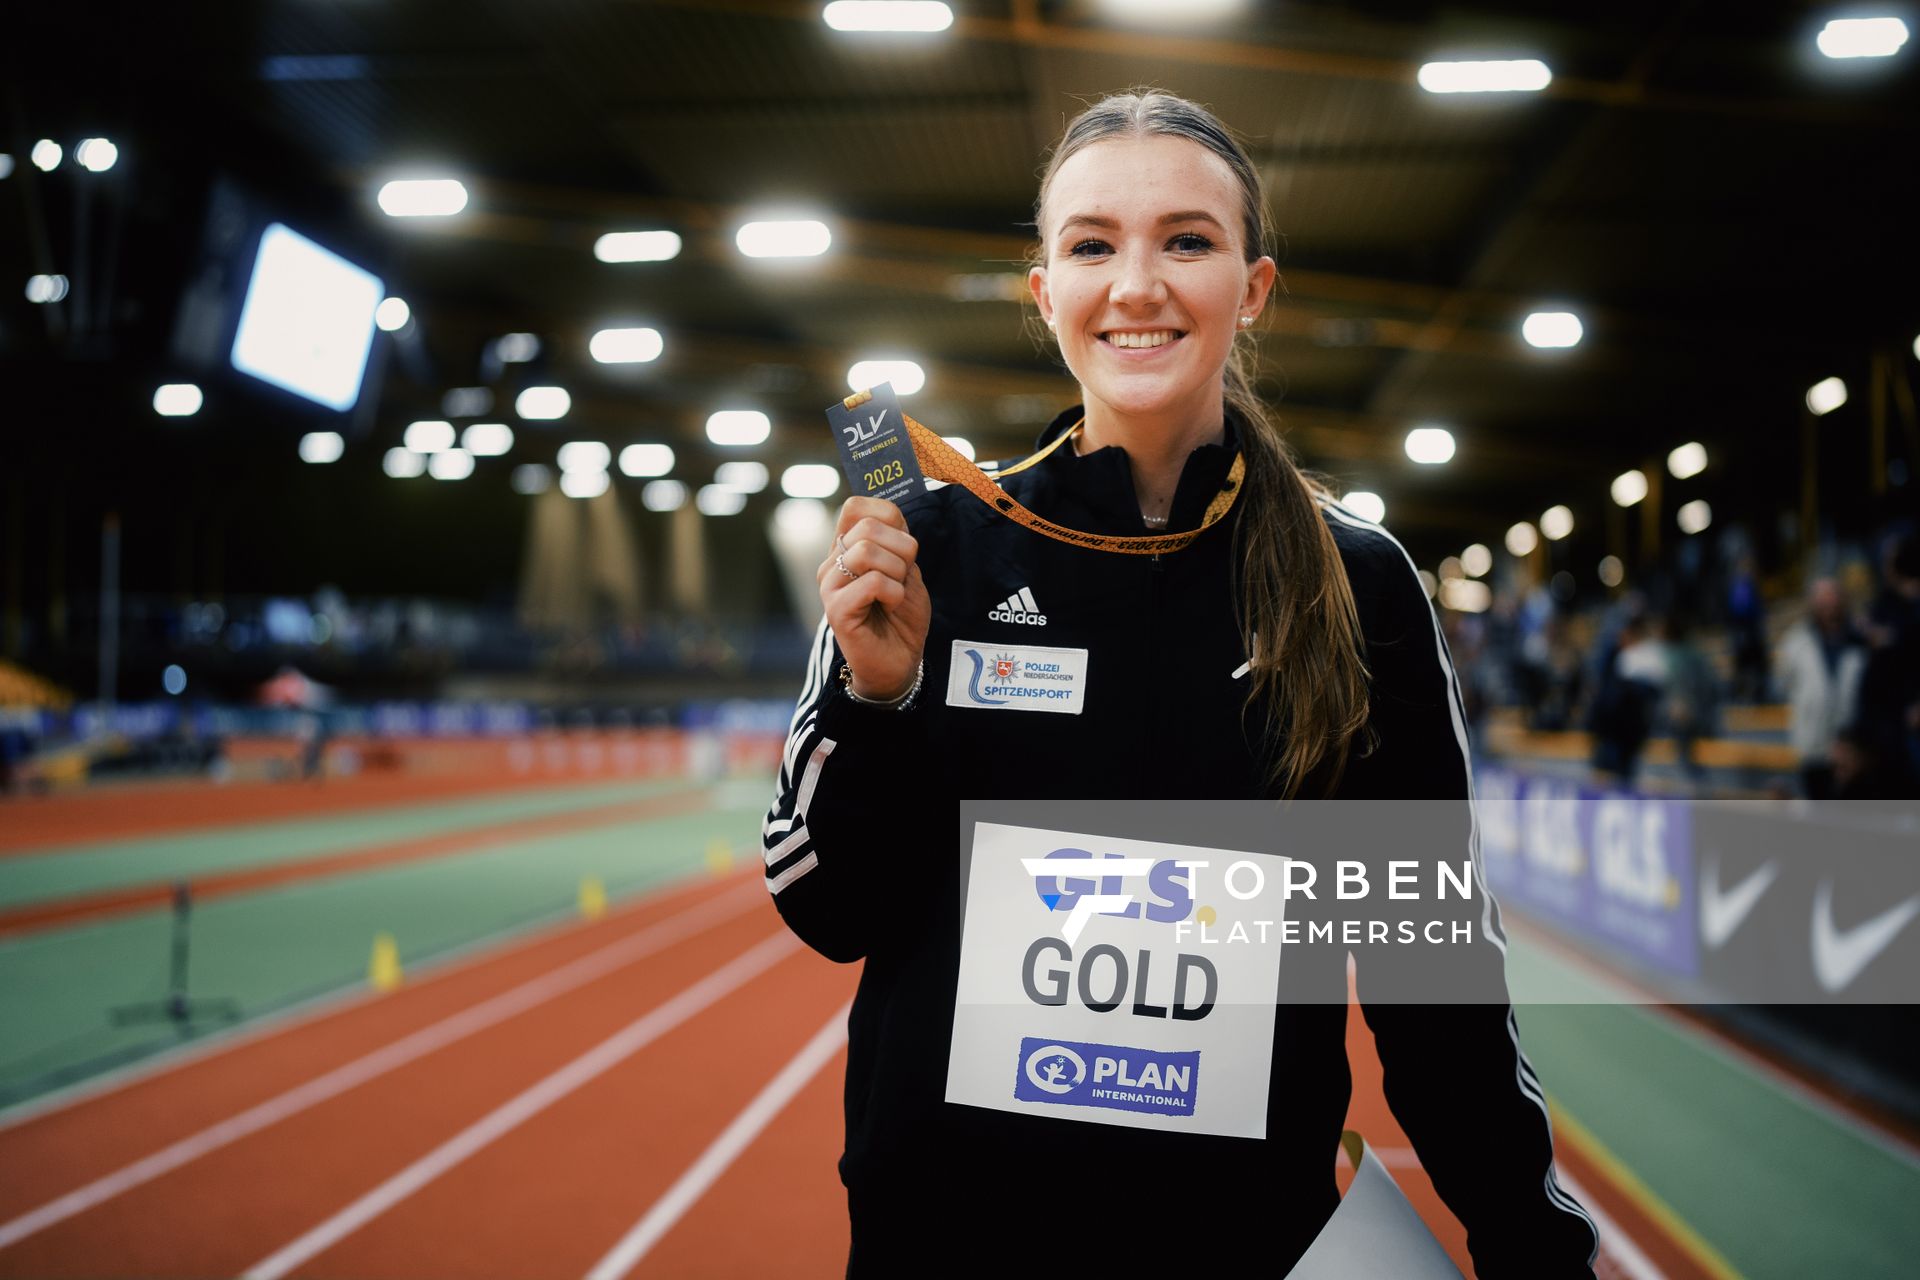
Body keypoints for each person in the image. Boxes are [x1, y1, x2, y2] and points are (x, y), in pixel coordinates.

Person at [764, 90, 1597, 1276]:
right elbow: (826, 907)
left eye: (1187, 241)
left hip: (1243, 1244)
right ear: (1046, 291)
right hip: (949, 1242)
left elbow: (1436, 979)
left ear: (1252, 287)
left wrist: (1533, 1244)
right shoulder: (922, 550)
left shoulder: (1359, 582)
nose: (1138, 285)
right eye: (1092, 244)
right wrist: (878, 697)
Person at [1777, 578, 1867, 799]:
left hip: (1854, 747)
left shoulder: (1860, 636)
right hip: (1814, 745)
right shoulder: (1796, 641)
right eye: (1823, 598)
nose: (1829, 604)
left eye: (1833, 596)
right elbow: (1784, 682)